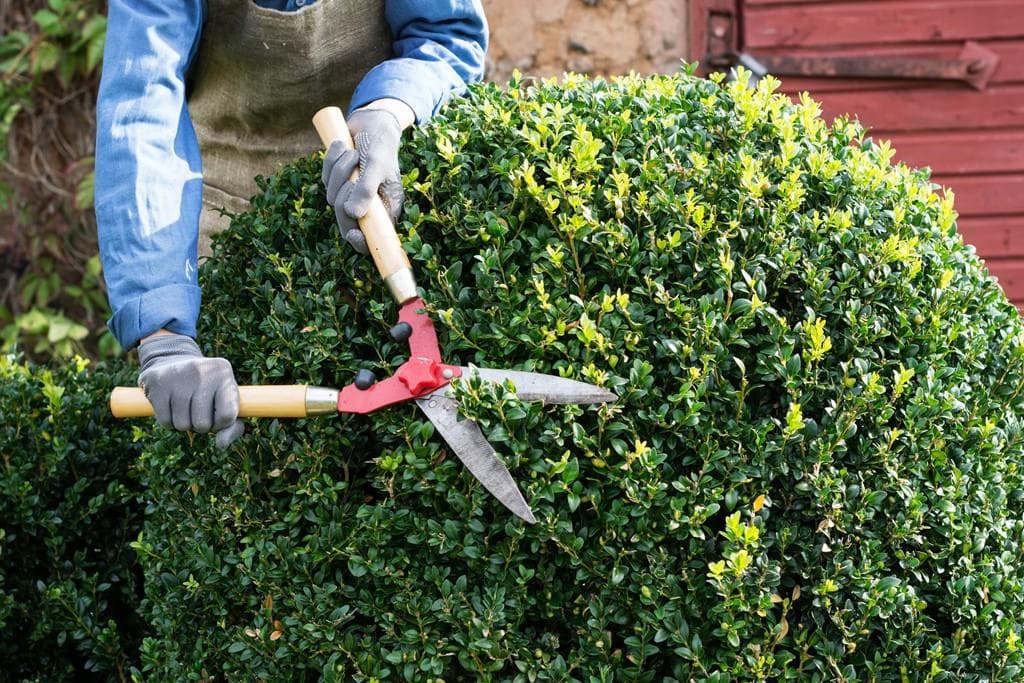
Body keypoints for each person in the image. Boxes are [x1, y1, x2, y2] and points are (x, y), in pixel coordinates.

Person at [95, 1, 488, 447]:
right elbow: (141, 106)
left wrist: (389, 108)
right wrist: (163, 336)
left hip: (376, 181)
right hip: (223, 202)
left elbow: (446, 33)